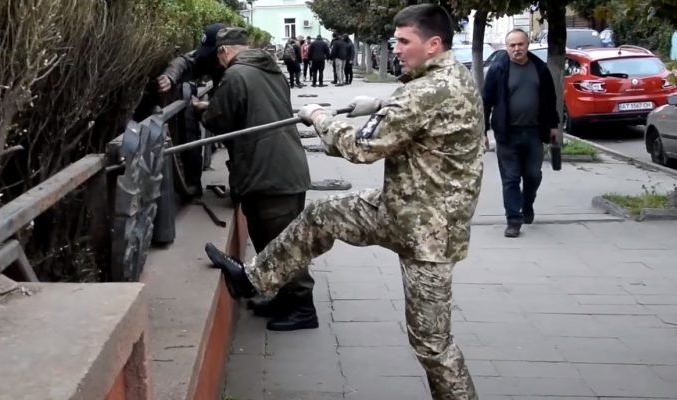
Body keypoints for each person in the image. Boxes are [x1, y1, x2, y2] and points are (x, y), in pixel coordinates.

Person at [204, 4, 483, 399]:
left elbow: (360, 148)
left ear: (433, 44)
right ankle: (252, 279)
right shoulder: (453, 76)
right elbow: (421, 116)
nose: (396, 48)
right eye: (396, 39)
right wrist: (380, 104)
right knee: (321, 215)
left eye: (405, 41)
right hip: (407, 207)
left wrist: (318, 116)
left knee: (432, 345)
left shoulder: (426, 91)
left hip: (427, 233)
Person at [192, 27, 318, 331]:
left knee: (283, 241)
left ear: (223, 52)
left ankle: (302, 308)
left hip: (269, 171)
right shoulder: (267, 70)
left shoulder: (235, 76)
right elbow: (252, 108)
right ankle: (285, 298)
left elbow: (219, 120)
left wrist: (202, 110)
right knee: (273, 240)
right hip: (281, 166)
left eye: (215, 58)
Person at [482, 29, 559, 238]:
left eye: (520, 44)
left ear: (527, 45)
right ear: (506, 47)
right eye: (512, 45)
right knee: (511, 178)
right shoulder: (498, 69)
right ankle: (513, 220)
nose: (516, 49)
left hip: (534, 132)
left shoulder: (540, 68)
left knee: (533, 175)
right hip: (507, 134)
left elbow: (550, 100)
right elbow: (486, 102)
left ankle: (527, 203)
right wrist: (483, 131)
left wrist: (553, 126)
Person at [156, 23, 228, 197]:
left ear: (223, 51)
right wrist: (170, 76)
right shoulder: (212, 59)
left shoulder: (239, 71)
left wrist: (208, 106)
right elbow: (185, 61)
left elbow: (236, 108)